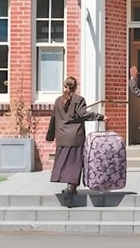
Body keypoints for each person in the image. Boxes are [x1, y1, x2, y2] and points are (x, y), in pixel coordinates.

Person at [48, 76, 106, 204]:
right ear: (76, 87)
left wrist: (50, 136)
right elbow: (83, 114)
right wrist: (100, 117)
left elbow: (53, 118)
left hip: (62, 137)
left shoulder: (58, 101)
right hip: (75, 137)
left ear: (64, 86)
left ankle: (71, 188)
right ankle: (70, 189)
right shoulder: (79, 100)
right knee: (74, 163)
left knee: (64, 163)